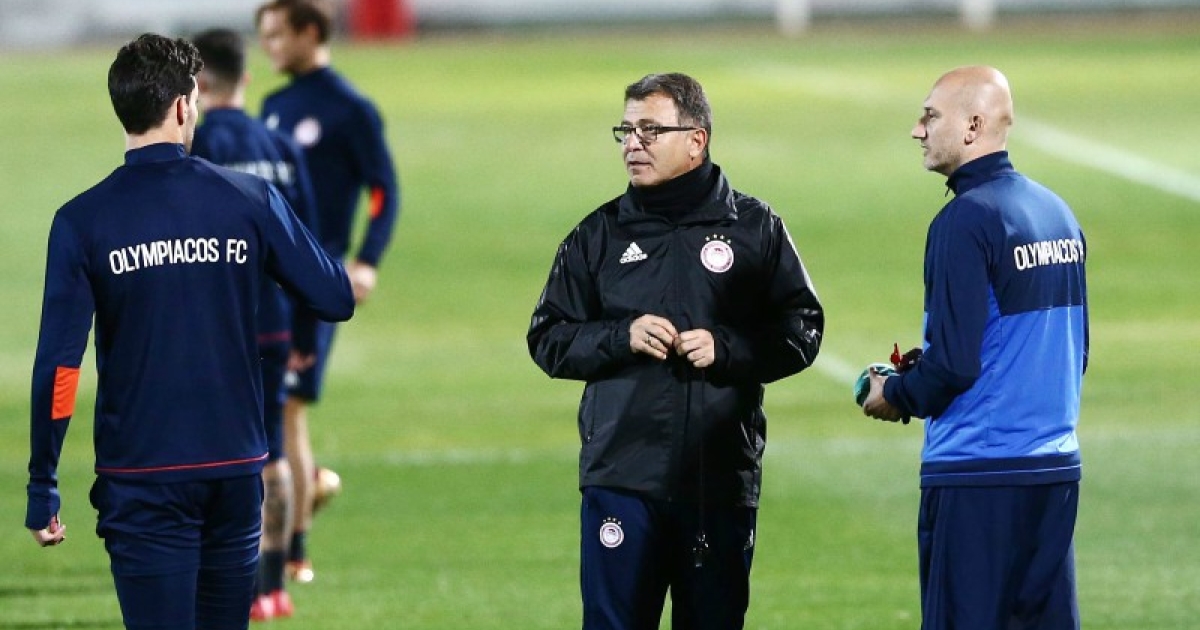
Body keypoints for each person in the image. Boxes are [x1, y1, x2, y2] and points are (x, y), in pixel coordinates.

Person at [24, 33, 354, 629]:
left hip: (142, 478)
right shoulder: (249, 200)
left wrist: (43, 481)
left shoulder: (81, 221)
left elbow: (61, 367)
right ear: (183, 105)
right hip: (234, 471)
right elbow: (333, 296)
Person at [527, 72, 824, 630]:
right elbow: (547, 337)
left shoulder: (754, 228)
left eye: (650, 130)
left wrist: (727, 348)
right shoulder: (597, 235)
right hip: (622, 477)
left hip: (718, 480)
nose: (633, 144)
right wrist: (621, 336)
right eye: (626, 130)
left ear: (696, 140)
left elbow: (802, 328)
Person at [861, 65, 1088, 630]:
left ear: (972, 126)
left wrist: (896, 393)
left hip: (977, 475)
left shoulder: (965, 220)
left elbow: (954, 365)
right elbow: (1076, 351)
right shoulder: (1057, 213)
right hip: (1054, 473)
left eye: (930, 116)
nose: (917, 130)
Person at [255, 0, 401, 583]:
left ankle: (294, 552)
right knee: (269, 406)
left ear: (310, 32)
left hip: (313, 280)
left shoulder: (350, 108)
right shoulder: (272, 107)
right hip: (266, 279)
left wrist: (366, 261)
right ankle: (303, 490)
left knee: (288, 408)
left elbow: (383, 189)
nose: (267, 46)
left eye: (276, 34)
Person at [191, 27, 320, 621]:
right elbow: (309, 249)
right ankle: (273, 585)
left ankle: (228, 579)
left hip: (216, 328)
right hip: (275, 322)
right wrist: (304, 336)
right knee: (271, 449)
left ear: (195, 86)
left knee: (215, 453)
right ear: (245, 77)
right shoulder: (280, 147)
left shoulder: (196, 147)